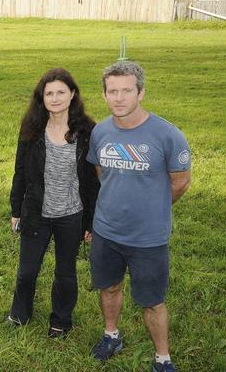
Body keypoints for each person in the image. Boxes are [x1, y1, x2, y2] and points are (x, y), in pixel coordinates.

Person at [87, 61, 191, 372]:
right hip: (106, 231)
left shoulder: (167, 135)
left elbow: (180, 180)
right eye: (112, 91)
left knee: (152, 300)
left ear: (141, 92)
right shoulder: (100, 131)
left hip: (148, 238)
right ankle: (111, 335)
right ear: (105, 95)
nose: (119, 98)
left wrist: (153, 207)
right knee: (110, 287)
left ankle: (162, 357)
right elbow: (101, 173)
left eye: (127, 91)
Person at [7, 68, 99, 339]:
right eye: (49, 93)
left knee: (66, 274)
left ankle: (61, 320)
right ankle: (20, 314)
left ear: (72, 94)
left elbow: (93, 182)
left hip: (71, 215)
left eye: (61, 92)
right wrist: (16, 210)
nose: (55, 98)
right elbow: (20, 171)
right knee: (26, 272)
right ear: (42, 98)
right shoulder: (32, 128)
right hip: (37, 212)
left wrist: (90, 221)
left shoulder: (87, 131)